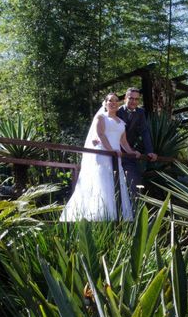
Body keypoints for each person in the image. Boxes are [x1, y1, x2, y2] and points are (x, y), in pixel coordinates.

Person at [60, 93, 140, 221]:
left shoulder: (121, 122)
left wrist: (132, 152)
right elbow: (101, 135)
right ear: (106, 103)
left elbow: (123, 142)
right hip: (104, 154)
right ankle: (98, 216)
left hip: (116, 156)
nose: (113, 103)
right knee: (102, 182)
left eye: (115, 101)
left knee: (115, 181)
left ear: (119, 104)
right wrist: (111, 150)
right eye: (110, 101)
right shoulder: (101, 118)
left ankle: (114, 215)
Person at [116, 87, 158, 198]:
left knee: (135, 184)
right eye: (131, 98)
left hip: (129, 154)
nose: (134, 101)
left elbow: (145, 132)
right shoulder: (116, 111)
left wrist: (150, 151)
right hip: (114, 151)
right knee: (114, 184)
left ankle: (135, 213)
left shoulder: (140, 113)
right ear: (125, 98)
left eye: (136, 99)